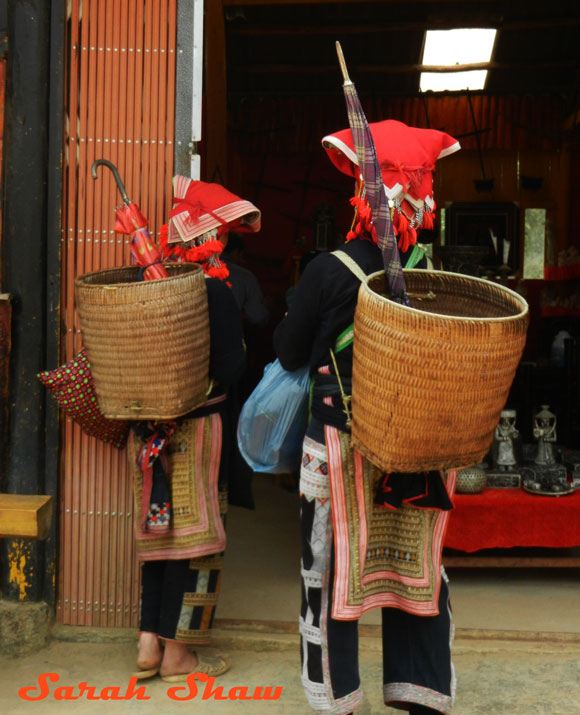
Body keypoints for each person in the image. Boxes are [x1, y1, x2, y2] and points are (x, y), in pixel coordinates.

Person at [273, 119, 460, 714]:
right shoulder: (439, 276)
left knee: (328, 576)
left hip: (337, 441)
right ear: (419, 197)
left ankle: (338, 699)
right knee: (420, 576)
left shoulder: (329, 271)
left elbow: (287, 352)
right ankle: (423, 695)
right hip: (420, 447)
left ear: (363, 194)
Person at [130, 178, 261, 682]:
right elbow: (230, 369)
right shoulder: (214, 291)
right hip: (198, 430)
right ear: (216, 239)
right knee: (197, 541)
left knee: (159, 532)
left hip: (145, 432)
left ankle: (147, 645)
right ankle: (180, 655)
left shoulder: (147, 287)